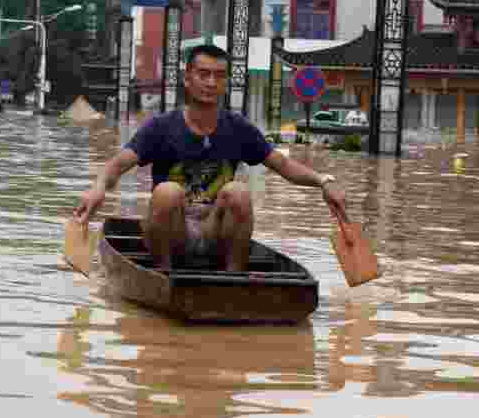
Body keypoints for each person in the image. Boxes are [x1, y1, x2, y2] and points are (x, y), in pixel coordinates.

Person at [74, 44, 348, 272]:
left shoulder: (238, 128)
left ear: (226, 82)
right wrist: (98, 187)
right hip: (173, 234)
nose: (211, 82)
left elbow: (284, 165)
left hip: (215, 232)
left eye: (219, 76)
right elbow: (118, 164)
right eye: (203, 74)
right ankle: (163, 275)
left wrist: (324, 181)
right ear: (187, 78)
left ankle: (233, 278)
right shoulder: (162, 127)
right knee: (167, 192)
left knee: (238, 192)